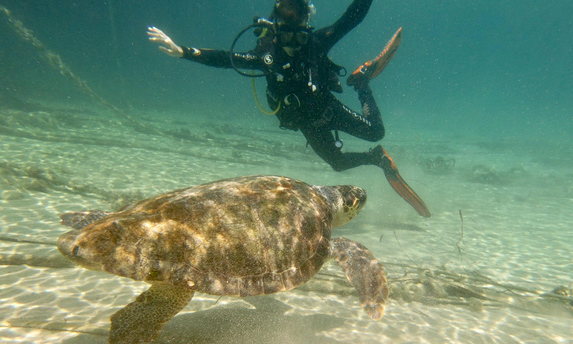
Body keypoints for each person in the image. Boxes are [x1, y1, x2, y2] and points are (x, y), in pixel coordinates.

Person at [148, 0, 430, 217]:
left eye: (300, 38)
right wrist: (184, 51)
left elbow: (351, 19)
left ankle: (361, 82)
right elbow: (227, 59)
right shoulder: (266, 56)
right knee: (338, 163)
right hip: (306, 125)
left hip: (328, 110)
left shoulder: (316, 43)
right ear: (277, 33)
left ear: (307, 31)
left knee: (376, 132)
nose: (295, 45)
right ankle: (376, 158)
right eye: (287, 38)